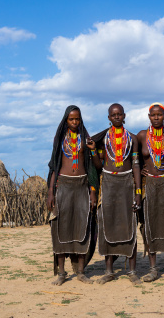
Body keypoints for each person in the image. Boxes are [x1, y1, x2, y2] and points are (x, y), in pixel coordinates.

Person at [89, 103, 143, 285]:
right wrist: (92, 151)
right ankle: (109, 271)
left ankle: (132, 270)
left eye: (120, 114)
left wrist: (138, 192)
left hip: (127, 183)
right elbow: (98, 166)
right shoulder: (103, 140)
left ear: (124, 115)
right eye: (113, 115)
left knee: (130, 226)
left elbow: (136, 165)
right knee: (108, 226)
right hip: (109, 183)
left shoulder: (132, 139)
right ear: (109, 118)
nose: (117, 117)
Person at [46, 105, 99, 286]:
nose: (75, 122)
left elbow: (93, 168)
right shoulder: (60, 138)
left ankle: (81, 272)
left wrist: (93, 192)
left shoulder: (86, 139)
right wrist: (50, 193)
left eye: (77, 119)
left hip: (82, 186)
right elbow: (54, 166)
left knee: (82, 228)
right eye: (71, 119)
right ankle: (61, 273)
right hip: (63, 186)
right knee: (61, 228)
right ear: (66, 120)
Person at [137, 103, 164, 284]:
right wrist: (139, 170)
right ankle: (153, 269)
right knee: (150, 226)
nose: (156, 118)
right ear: (149, 116)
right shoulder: (141, 136)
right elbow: (135, 159)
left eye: (159, 115)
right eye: (153, 115)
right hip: (150, 186)